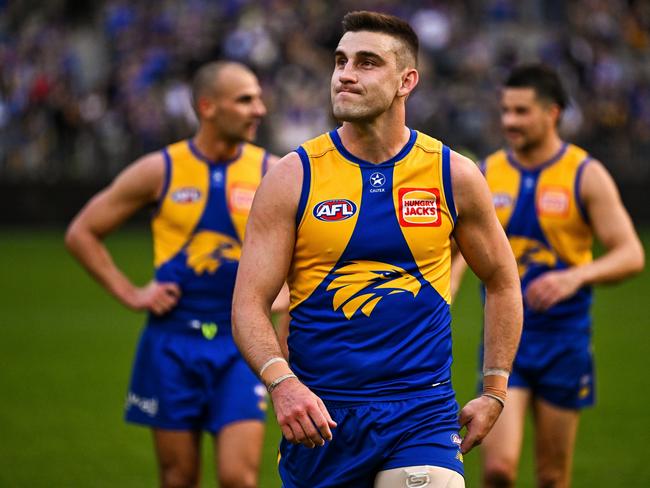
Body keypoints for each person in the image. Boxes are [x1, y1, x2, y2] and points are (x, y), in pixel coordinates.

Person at [231, 11, 523, 488]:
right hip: (321, 417)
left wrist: (494, 389)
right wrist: (282, 383)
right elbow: (247, 303)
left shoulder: (453, 175)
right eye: (341, 60)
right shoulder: (292, 176)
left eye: (367, 63)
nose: (345, 73)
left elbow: (503, 280)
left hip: (422, 412)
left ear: (407, 80)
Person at [65, 61, 287, 488]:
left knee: (238, 478)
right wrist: (131, 294)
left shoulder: (273, 172)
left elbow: (306, 252)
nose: (259, 109)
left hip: (242, 344)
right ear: (207, 107)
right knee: (178, 477)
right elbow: (82, 233)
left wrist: (287, 294)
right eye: (245, 100)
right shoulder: (161, 169)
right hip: (170, 343)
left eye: (259, 98)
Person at [451, 64, 645, 488]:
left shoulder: (583, 173)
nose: (508, 122)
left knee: (552, 477)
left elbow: (631, 254)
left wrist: (576, 277)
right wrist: (450, 279)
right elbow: (465, 244)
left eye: (521, 111)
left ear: (552, 113)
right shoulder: (486, 172)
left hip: (564, 343)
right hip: (506, 342)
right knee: (498, 471)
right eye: (504, 110)